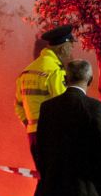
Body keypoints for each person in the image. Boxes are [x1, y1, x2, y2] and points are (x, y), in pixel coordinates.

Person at [33, 59, 101, 196]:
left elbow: (40, 149)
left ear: (65, 79)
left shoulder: (47, 108)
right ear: (91, 80)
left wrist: (47, 181)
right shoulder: (96, 108)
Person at [15, 25, 75, 172]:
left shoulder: (27, 71)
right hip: (53, 134)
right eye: (71, 48)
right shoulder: (55, 71)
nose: (71, 53)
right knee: (57, 180)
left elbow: (18, 106)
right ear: (63, 49)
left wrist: (30, 124)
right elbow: (65, 106)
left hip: (33, 134)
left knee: (45, 180)